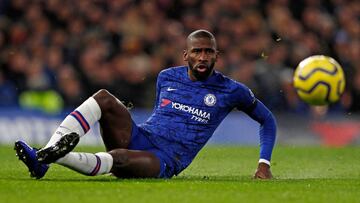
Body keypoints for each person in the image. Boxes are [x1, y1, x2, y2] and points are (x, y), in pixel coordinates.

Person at [14, 29, 276, 179]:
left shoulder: (232, 90)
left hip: (165, 158)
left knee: (118, 159)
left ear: (217, 56)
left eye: (209, 51)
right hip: (141, 136)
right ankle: (44, 158)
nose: (203, 56)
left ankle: (53, 156)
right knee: (104, 97)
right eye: (197, 51)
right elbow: (163, 116)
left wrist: (263, 163)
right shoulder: (167, 76)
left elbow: (268, 120)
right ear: (186, 55)